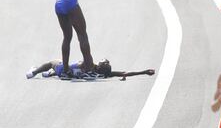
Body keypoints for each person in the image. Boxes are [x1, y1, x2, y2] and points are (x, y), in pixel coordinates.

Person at [26, 58, 155, 80]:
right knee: (55, 69)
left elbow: (76, 64)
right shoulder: (105, 75)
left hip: (65, 71)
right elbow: (125, 73)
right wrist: (144, 72)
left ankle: (33, 72)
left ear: (100, 66)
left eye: (103, 62)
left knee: (51, 62)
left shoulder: (89, 64)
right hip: (69, 75)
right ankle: (50, 74)